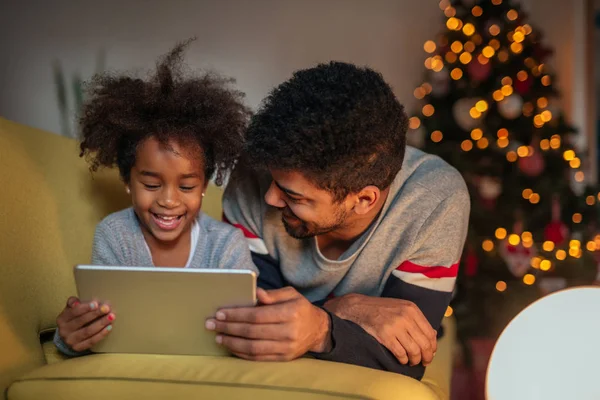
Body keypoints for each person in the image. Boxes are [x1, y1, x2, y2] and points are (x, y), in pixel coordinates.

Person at [206, 61, 470, 380]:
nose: (270, 199)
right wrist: (341, 311)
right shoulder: (255, 173)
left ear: (363, 200)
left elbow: (408, 357)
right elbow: (250, 323)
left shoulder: (434, 201)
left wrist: (319, 329)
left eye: (294, 195)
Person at [54, 40, 256, 356]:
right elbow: (100, 330)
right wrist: (69, 339)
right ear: (127, 181)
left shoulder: (227, 245)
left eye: (187, 187)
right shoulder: (114, 235)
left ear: (204, 186)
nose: (169, 201)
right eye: (151, 185)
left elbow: (250, 331)